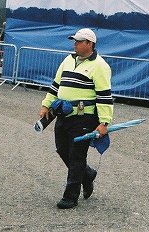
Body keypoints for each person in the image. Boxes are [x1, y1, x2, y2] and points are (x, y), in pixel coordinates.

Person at [38, 28, 113, 209]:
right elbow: (56, 85)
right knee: (62, 149)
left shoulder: (100, 66)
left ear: (90, 44)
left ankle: (71, 196)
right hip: (63, 115)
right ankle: (86, 175)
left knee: (77, 155)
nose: (75, 44)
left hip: (84, 118)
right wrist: (46, 104)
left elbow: (104, 96)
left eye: (79, 41)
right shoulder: (68, 60)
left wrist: (104, 123)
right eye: (75, 41)